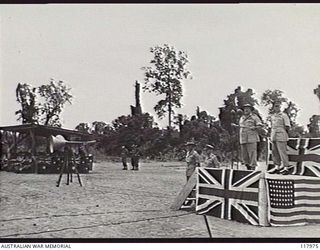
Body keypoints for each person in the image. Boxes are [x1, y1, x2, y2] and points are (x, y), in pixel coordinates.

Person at [232, 104, 263, 170]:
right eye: (245, 108)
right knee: (244, 156)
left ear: (251, 110)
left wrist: (254, 127)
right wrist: (236, 126)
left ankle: (253, 168)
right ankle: (247, 169)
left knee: (252, 154)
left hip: (251, 138)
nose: (246, 110)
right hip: (243, 138)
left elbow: (260, 125)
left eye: (248, 108)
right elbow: (241, 126)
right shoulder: (242, 118)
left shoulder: (254, 117)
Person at [268, 101, 292, 174]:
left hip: (281, 134)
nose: (277, 107)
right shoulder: (272, 116)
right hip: (274, 134)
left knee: (282, 152)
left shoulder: (284, 115)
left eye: (278, 106)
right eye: (275, 106)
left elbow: (287, 126)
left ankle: (286, 167)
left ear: (280, 107)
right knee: (275, 152)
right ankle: (277, 167)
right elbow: (271, 126)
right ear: (273, 107)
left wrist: (284, 134)